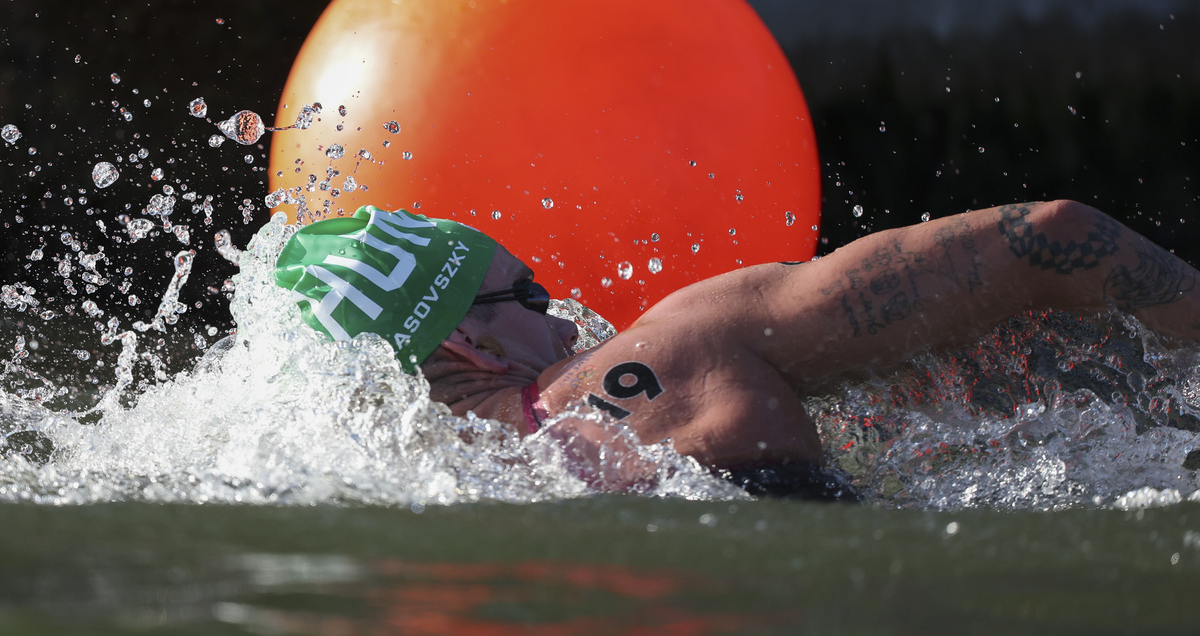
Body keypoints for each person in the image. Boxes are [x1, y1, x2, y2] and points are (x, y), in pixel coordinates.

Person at [274, 199, 1200, 499]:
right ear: (473, 345)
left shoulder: (429, 493)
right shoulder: (671, 345)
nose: (564, 317)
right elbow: (1051, 234)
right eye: (528, 293)